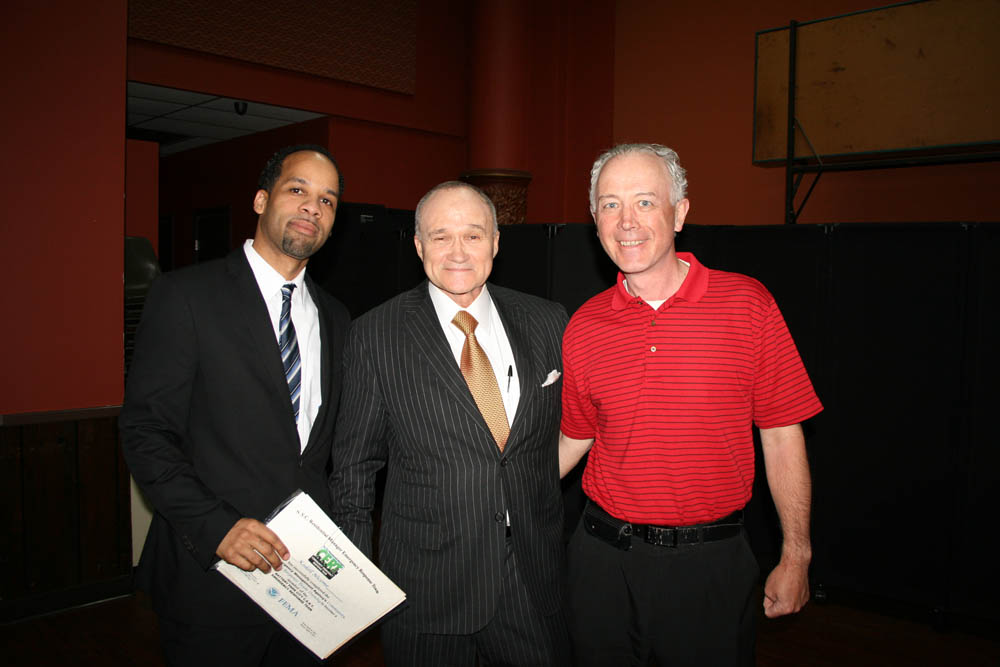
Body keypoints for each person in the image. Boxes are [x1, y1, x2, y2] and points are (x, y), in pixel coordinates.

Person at [558, 143, 823, 666]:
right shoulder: (585, 323)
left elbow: (781, 434)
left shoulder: (748, 305)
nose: (626, 221)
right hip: (598, 563)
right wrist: (494, 500)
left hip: (709, 565)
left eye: (645, 202)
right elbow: (575, 437)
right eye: (609, 205)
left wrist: (797, 554)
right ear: (594, 220)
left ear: (680, 213)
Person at [120, 145, 350, 666]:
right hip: (211, 580)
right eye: (298, 190)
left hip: (305, 584)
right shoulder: (186, 295)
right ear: (261, 199)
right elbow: (145, 433)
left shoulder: (336, 318)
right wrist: (217, 527)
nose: (312, 207)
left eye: (328, 200)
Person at [328, 181, 571, 666]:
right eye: (440, 237)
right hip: (426, 587)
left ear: (497, 243)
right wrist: (356, 580)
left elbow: (576, 428)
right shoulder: (376, 334)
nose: (457, 251)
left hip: (531, 576)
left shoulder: (548, 321)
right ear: (418, 246)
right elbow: (354, 468)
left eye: (474, 235)